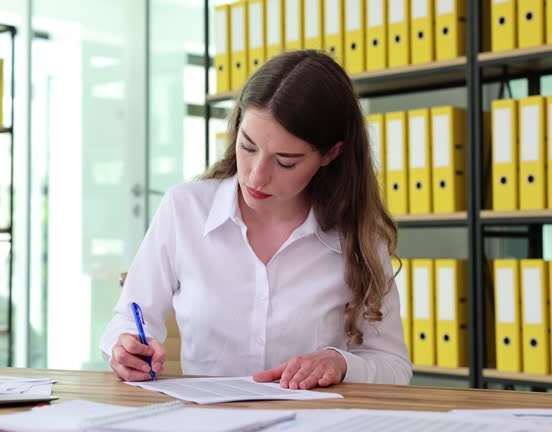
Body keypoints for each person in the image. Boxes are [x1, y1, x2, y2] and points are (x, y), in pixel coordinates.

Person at [99, 50, 412, 389]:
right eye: (247, 147)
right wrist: (124, 347)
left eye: (286, 162)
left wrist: (341, 362)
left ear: (330, 154)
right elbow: (127, 320)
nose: (257, 177)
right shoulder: (184, 209)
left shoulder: (356, 236)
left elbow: (394, 367)